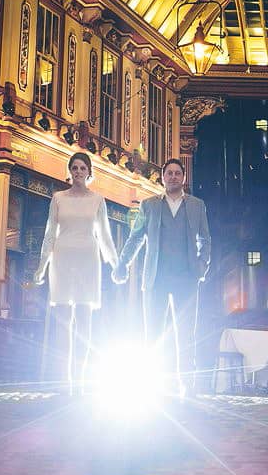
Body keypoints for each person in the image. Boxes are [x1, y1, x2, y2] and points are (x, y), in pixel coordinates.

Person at [114, 157, 211, 397]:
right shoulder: (149, 206)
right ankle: (159, 385)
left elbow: (205, 240)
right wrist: (122, 263)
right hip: (156, 278)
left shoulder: (197, 205)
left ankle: (187, 384)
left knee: (186, 333)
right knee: (155, 334)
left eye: (178, 173)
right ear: (163, 177)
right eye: (169, 173)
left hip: (187, 278)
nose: (174, 177)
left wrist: (201, 268)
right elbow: (136, 237)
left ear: (184, 178)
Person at [35, 151, 119, 391]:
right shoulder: (58, 198)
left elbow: (104, 236)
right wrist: (42, 266)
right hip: (62, 259)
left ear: (89, 172)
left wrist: (115, 264)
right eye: (75, 168)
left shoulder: (98, 200)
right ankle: (63, 379)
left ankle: (83, 380)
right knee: (62, 322)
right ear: (70, 171)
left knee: (84, 322)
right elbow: (50, 233)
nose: (79, 172)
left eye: (83, 168)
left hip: (88, 260)